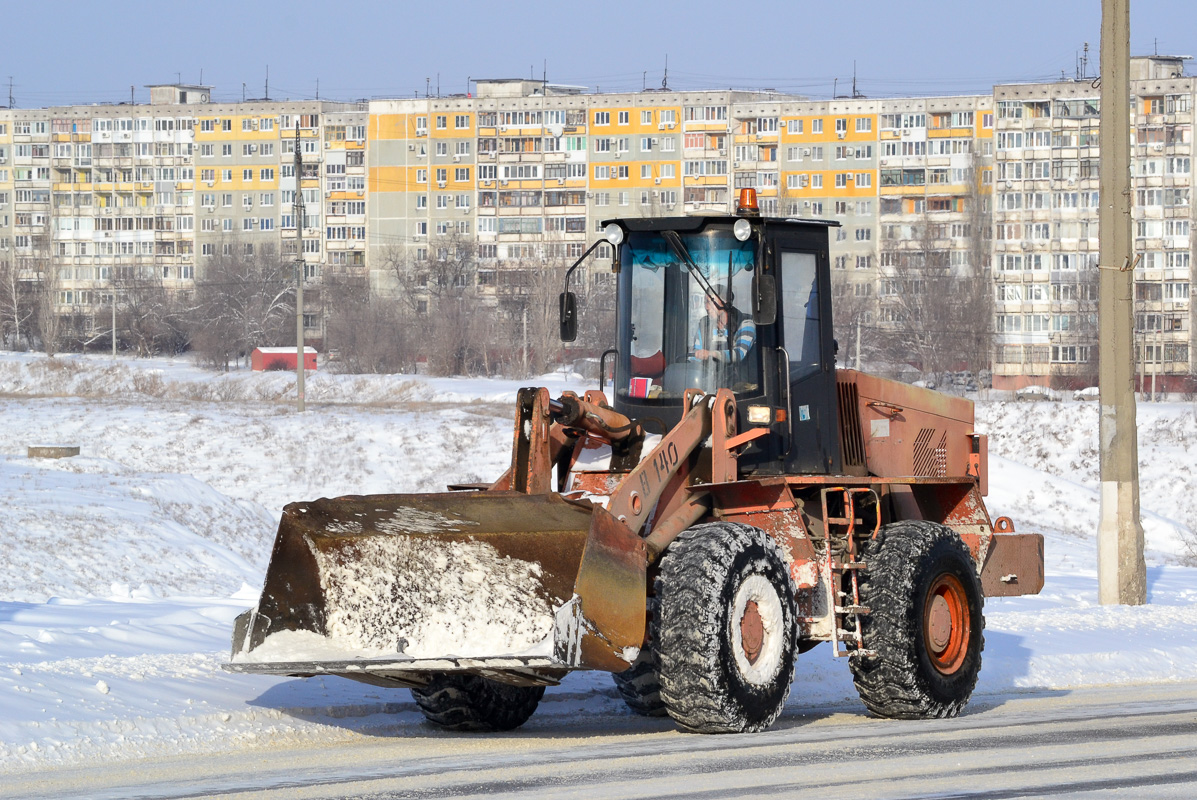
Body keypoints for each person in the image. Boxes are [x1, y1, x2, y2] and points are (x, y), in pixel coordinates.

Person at [692, 284, 756, 365]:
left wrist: (711, 354)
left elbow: (739, 353)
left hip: (739, 376)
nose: (706, 307)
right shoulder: (704, 325)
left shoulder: (746, 323)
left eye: (709, 302)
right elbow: (695, 355)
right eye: (705, 303)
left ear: (724, 302)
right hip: (710, 376)